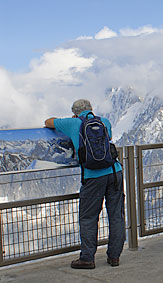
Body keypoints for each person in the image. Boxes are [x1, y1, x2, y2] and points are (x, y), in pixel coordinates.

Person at [45, 99, 125, 269]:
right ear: (91, 110)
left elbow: (48, 122)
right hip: (114, 172)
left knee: (88, 217)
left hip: (93, 176)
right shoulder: (104, 121)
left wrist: (67, 121)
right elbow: (108, 137)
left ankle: (87, 258)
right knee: (116, 215)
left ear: (75, 113)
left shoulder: (72, 122)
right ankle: (114, 257)